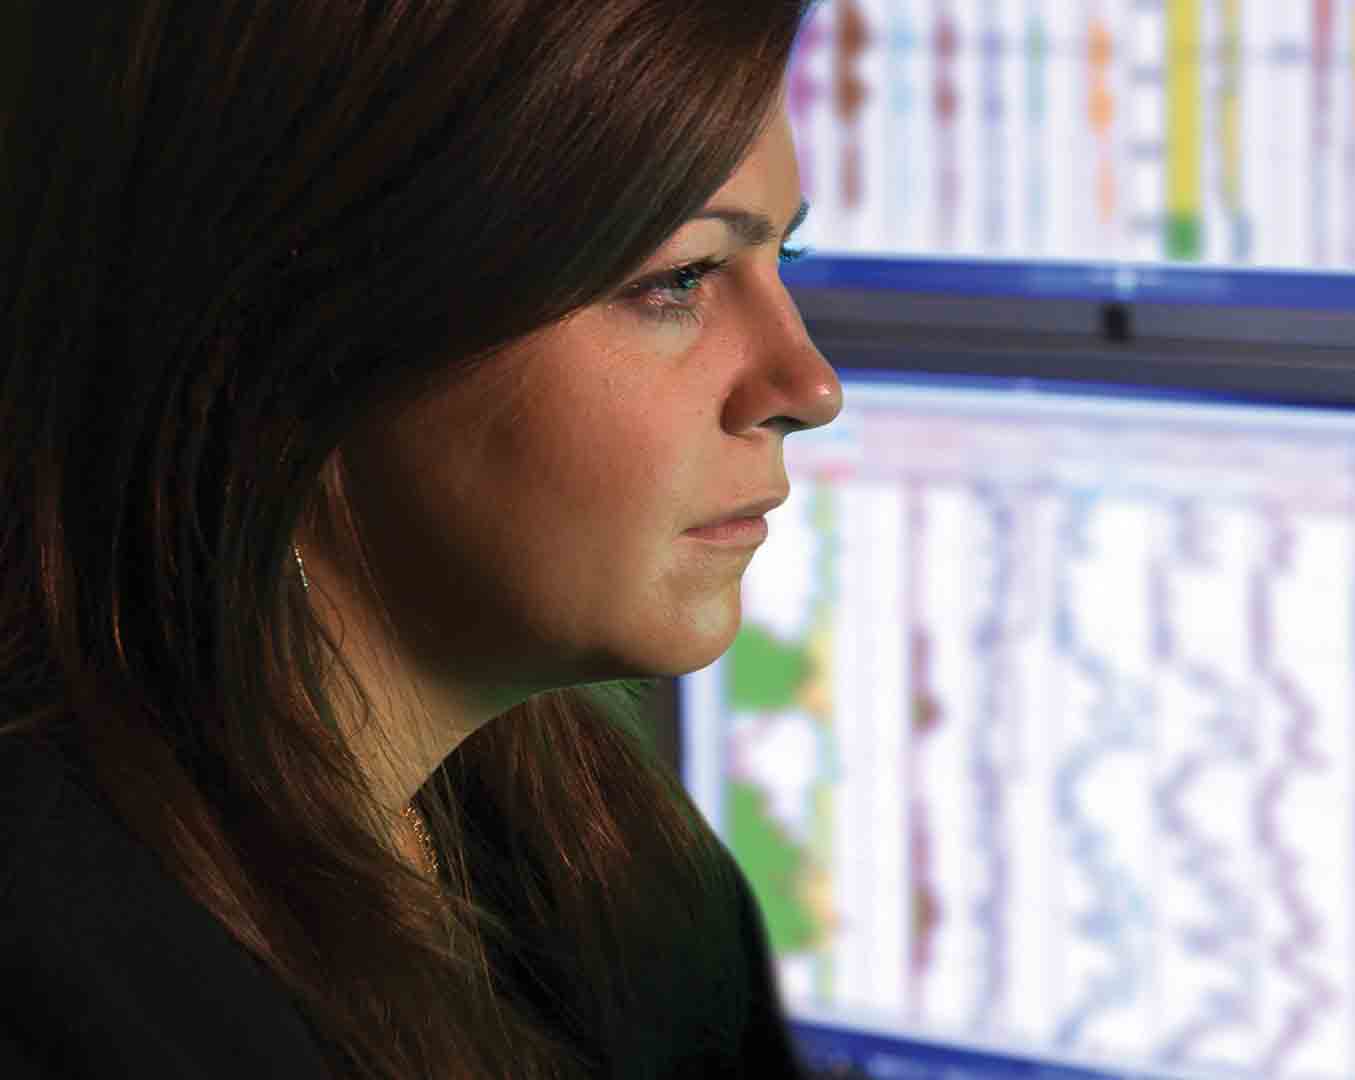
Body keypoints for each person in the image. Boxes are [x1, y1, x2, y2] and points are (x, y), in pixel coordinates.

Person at [0, 1, 841, 1076]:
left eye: (787, 256)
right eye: (677, 279)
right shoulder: (63, 999)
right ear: (313, 331)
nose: (809, 386)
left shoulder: (635, 893)